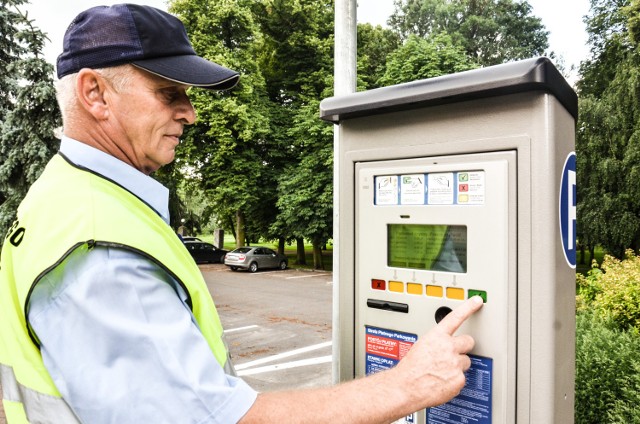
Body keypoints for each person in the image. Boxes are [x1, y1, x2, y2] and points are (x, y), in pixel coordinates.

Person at [0, 4, 483, 423]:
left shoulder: (62, 198)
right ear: (95, 94)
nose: (190, 113)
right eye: (171, 93)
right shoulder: (99, 246)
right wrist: (407, 386)